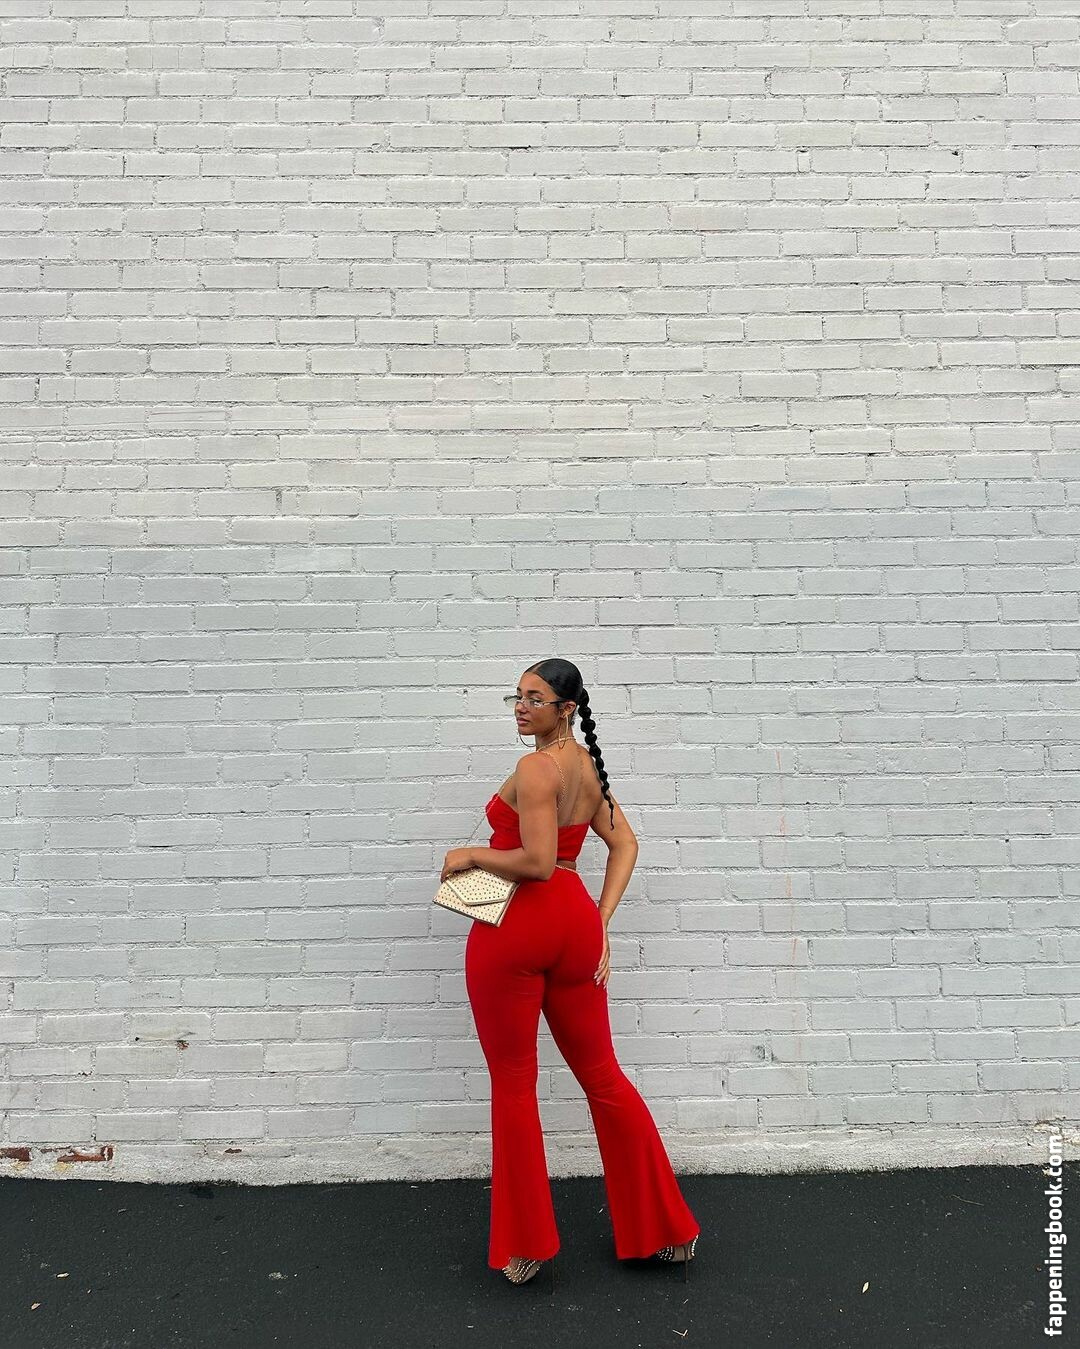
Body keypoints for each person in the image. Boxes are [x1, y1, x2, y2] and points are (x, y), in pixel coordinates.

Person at [440, 658, 701, 1290]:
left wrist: (468, 853)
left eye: (535, 698)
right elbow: (625, 844)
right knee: (603, 1076)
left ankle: (525, 1247)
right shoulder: (586, 766)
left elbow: (535, 862)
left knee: (514, 1083)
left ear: (567, 709)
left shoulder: (537, 768)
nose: (520, 707)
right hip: (574, 922)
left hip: (518, 927)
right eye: (517, 696)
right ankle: (668, 1231)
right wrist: (600, 920)